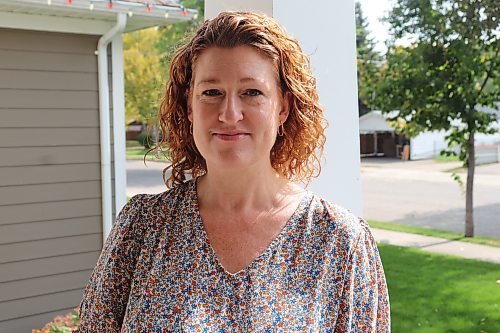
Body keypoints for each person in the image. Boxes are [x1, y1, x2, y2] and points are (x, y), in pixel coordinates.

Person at [78, 11, 390, 332]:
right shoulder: (141, 227)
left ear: (282, 107)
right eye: (211, 92)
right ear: (189, 108)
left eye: (251, 92)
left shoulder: (340, 243)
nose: (229, 114)